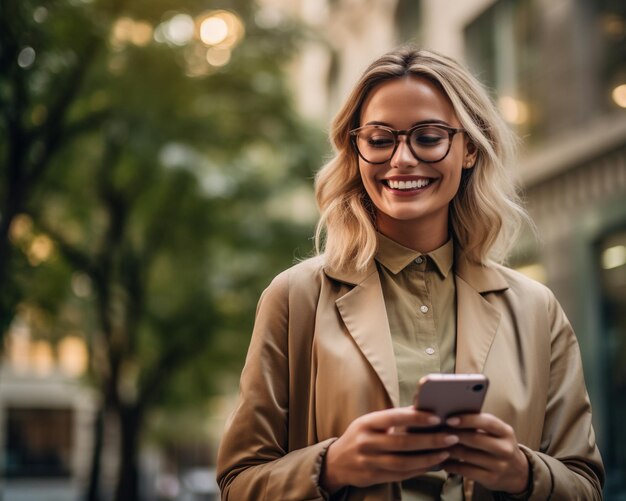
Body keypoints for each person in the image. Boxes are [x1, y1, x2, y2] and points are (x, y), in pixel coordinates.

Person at [216, 46, 604, 500]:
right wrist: (331, 467)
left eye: (428, 136)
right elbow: (237, 482)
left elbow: (587, 484)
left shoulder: (537, 308)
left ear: (470, 150)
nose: (401, 159)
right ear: (356, 151)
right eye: (380, 140)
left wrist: (523, 473)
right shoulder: (295, 297)